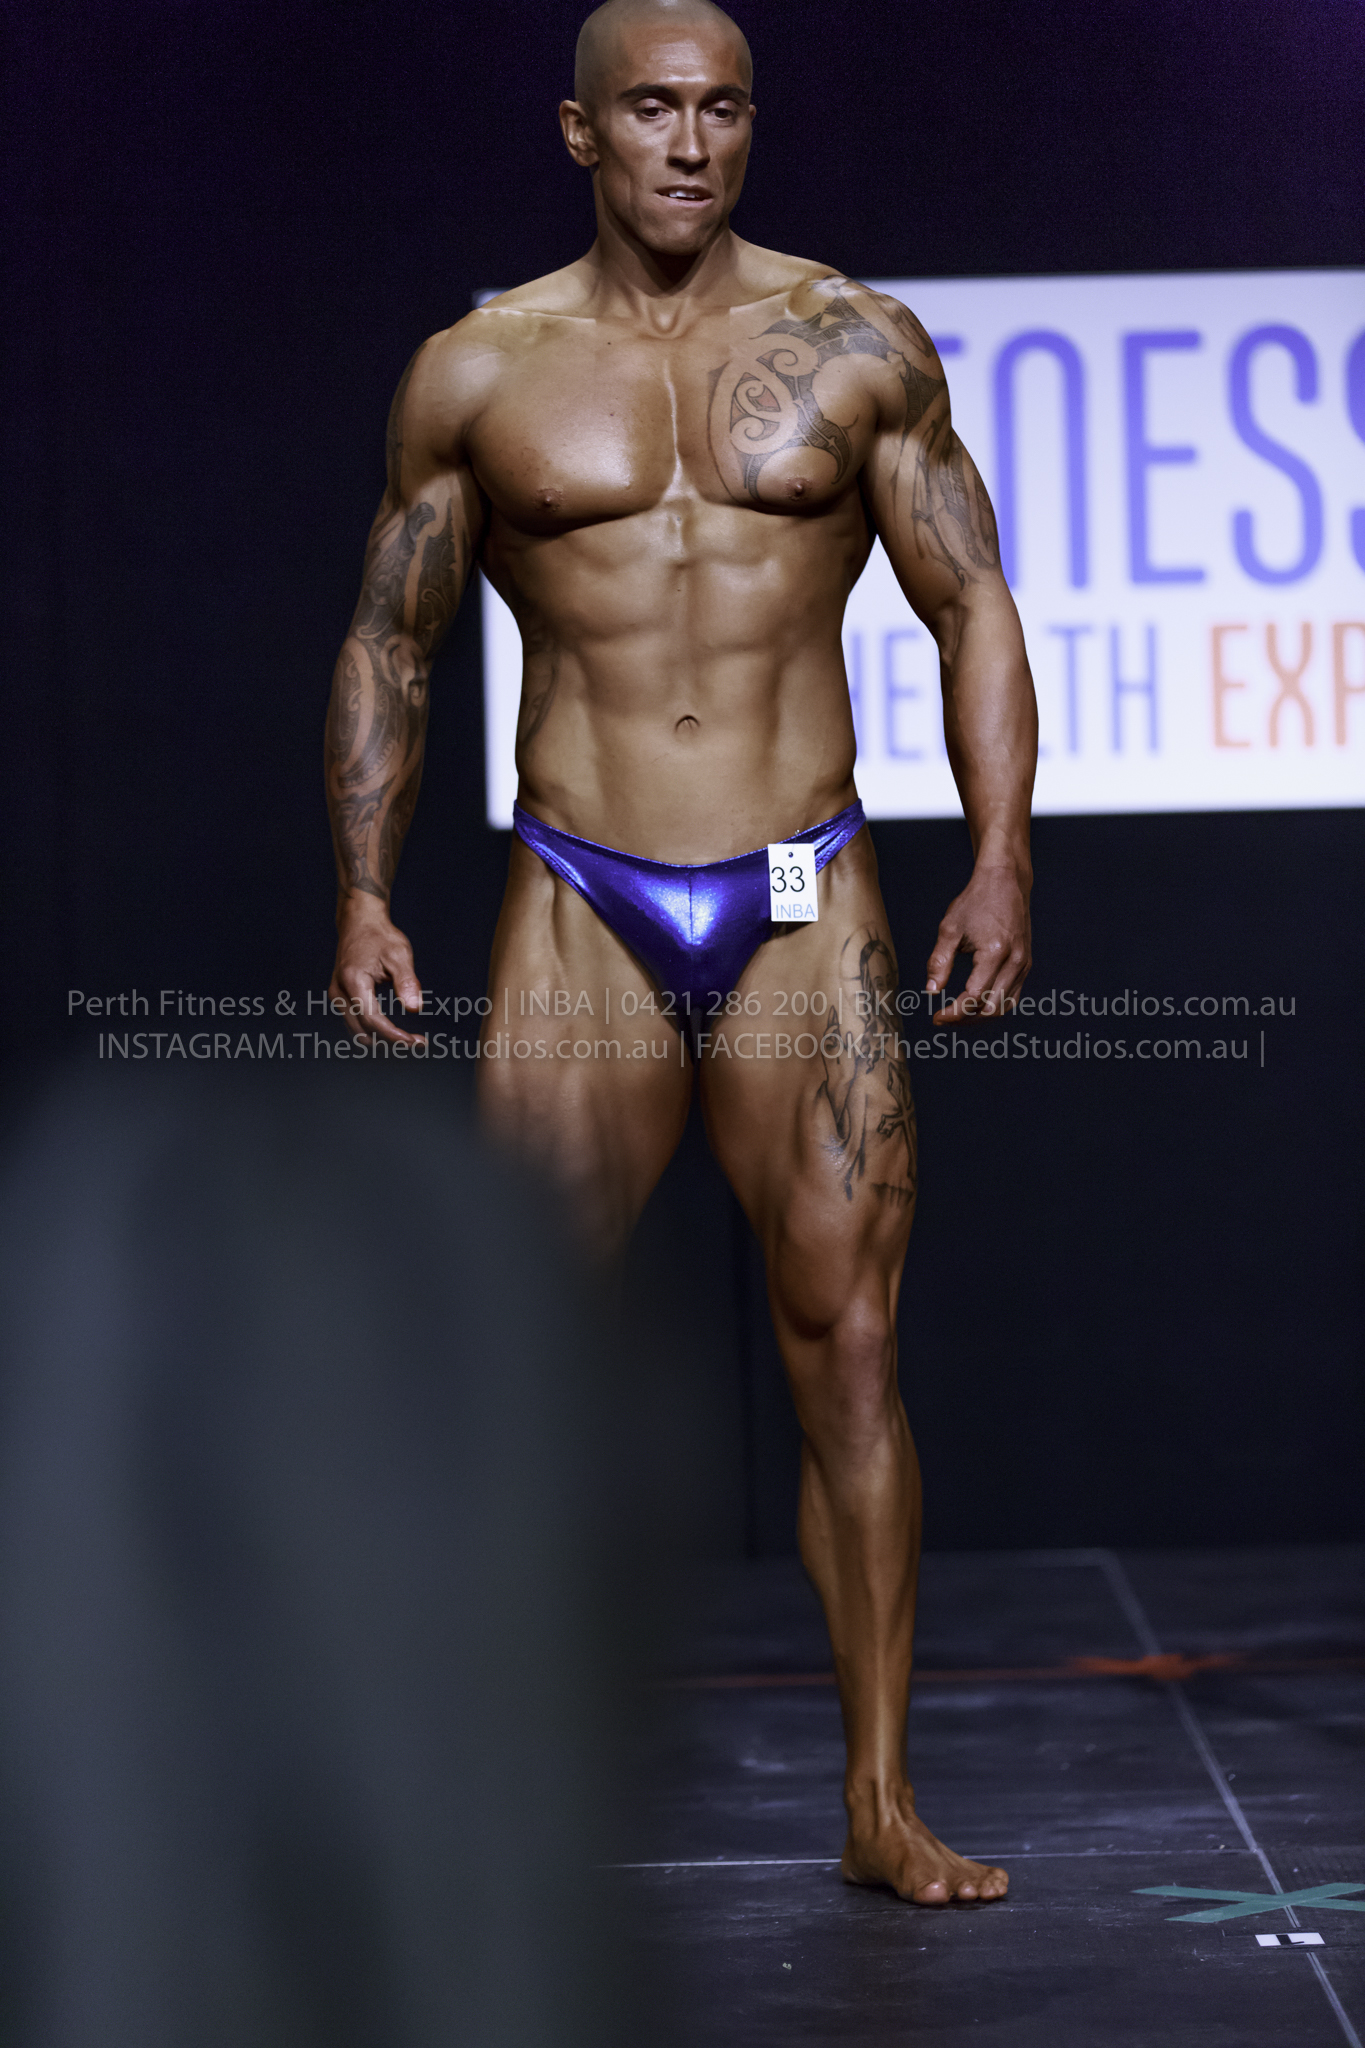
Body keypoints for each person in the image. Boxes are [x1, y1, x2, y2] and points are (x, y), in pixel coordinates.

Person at [325, 0, 1036, 1906]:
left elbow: (969, 599)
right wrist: (365, 887)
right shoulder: (479, 368)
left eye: (722, 107)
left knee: (850, 1344)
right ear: (580, 132)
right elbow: (392, 638)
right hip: (582, 894)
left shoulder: (854, 341)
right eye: (650, 109)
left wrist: (998, 857)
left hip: (803, 886)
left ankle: (877, 1802)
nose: (690, 143)